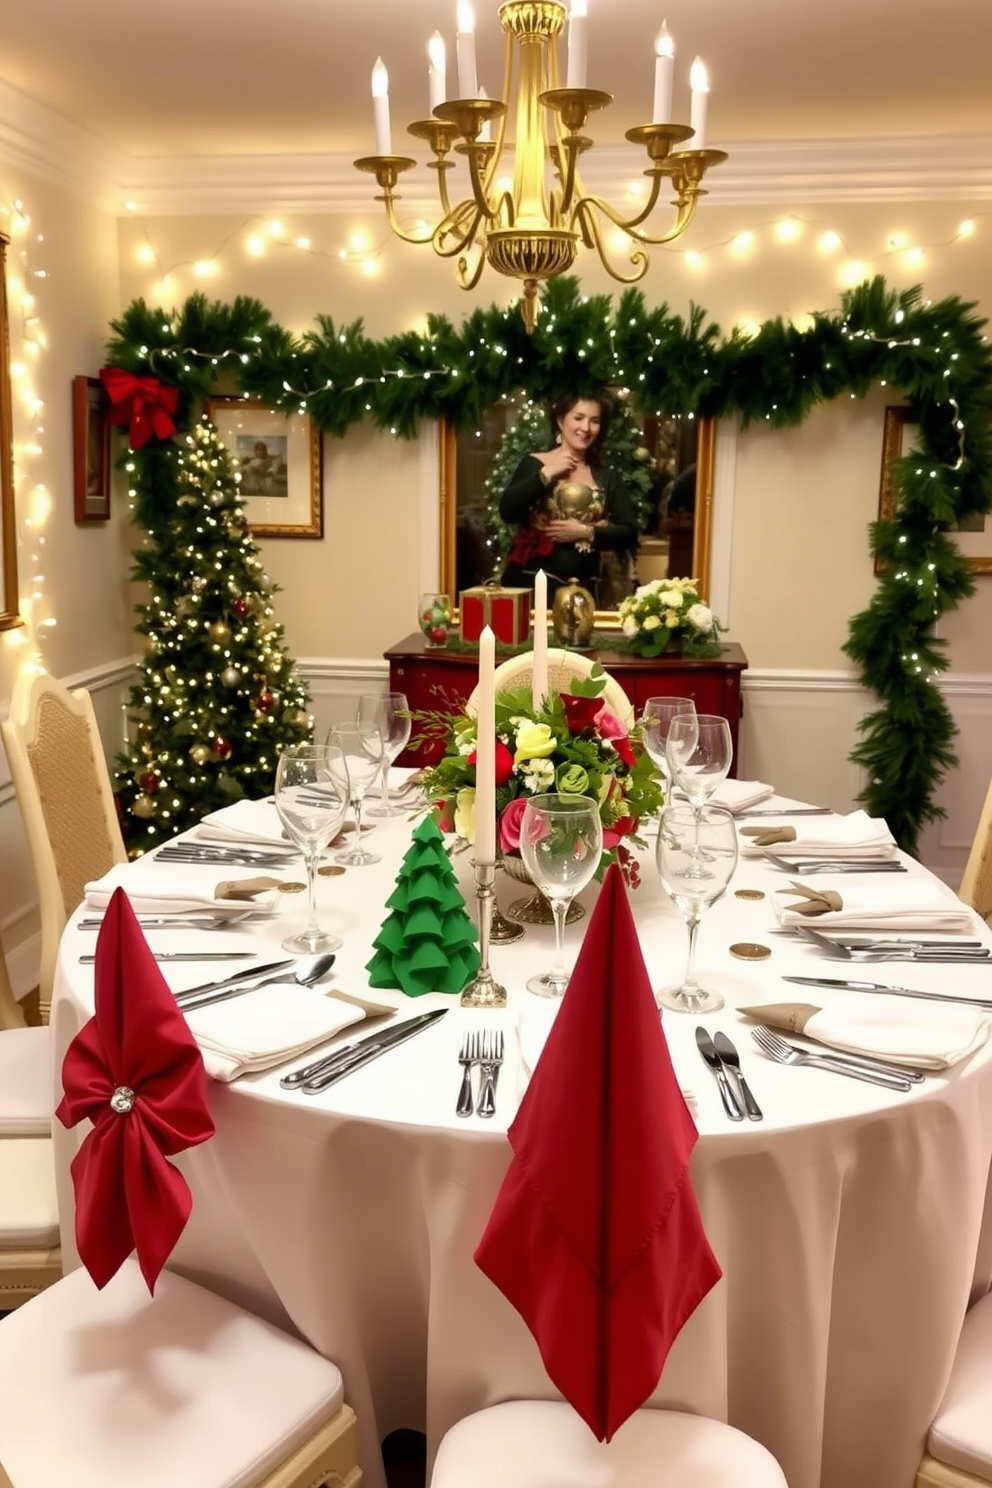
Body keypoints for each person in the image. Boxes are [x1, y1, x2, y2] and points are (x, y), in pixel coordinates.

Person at [498, 393, 638, 601]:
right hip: (534, 588)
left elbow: (630, 533)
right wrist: (546, 474)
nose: (586, 428)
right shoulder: (536, 463)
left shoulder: (607, 477)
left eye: (595, 421)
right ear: (560, 420)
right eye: (578, 418)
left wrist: (586, 532)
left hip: (586, 593)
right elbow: (507, 512)